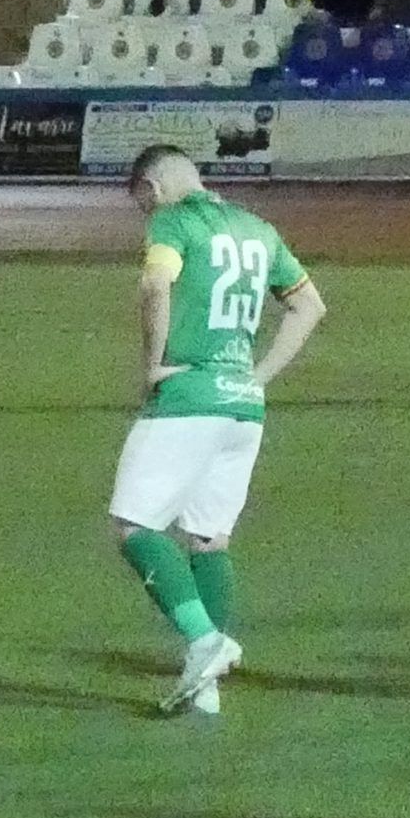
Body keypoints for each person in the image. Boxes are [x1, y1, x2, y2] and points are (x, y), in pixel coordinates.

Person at [107, 145, 326, 715]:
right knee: (208, 539)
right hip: (243, 407)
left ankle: (205, 642)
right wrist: (259, 375)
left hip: (189, 399)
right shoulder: (257, 228)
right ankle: (206, 689)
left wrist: (152, 366)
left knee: (134, 526)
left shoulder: (173, 222)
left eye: (140, 202)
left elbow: (156, 286)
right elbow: (310, 306)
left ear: (151, 189)